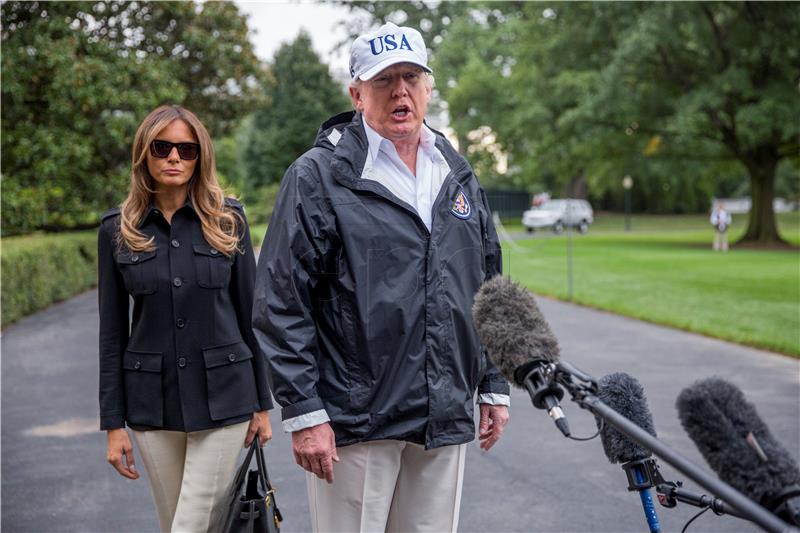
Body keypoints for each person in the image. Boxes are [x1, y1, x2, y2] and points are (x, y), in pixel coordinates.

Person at [252, 22, 510, 533]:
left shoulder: (455, 172)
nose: (400, 91)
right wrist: (305, 413)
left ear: (429, 87)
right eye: (384, 80)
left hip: (442, 411)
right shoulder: (316, 176)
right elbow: (281, 301)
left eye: (411, 77)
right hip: (355, 421)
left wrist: (494, 383)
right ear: (356, 94)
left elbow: (488, 282)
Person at [98, 105, 273, 532]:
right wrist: (112, 424)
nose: (174, 157)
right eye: (162, 147)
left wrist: (262, 404)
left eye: (186, 149)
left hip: (226, 399)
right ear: (145, 154)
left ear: (200, 157)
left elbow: (251, 315)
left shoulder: (229, 220)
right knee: (180, 523)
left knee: (188, 527)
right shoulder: (117, 231)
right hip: (151, 405)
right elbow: (112, 332)